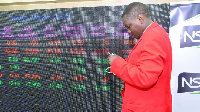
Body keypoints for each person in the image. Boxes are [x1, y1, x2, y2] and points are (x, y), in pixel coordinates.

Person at [108, 2, 172, 112]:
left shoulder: (153, 37)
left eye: (129, 26)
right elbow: (143, 65)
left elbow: (145, 77)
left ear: (140, 19)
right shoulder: (153, 34)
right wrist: (123, 61)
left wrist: (117, 63)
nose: (129, 31)